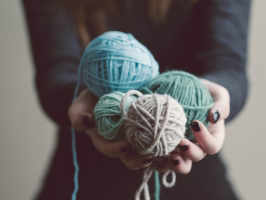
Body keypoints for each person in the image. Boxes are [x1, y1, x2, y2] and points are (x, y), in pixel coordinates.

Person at [22, 0, 251, 199]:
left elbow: (228, 63)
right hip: (85, 179)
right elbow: (55, 70)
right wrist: (85, 108)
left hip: (198, 179)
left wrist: (218, 96)